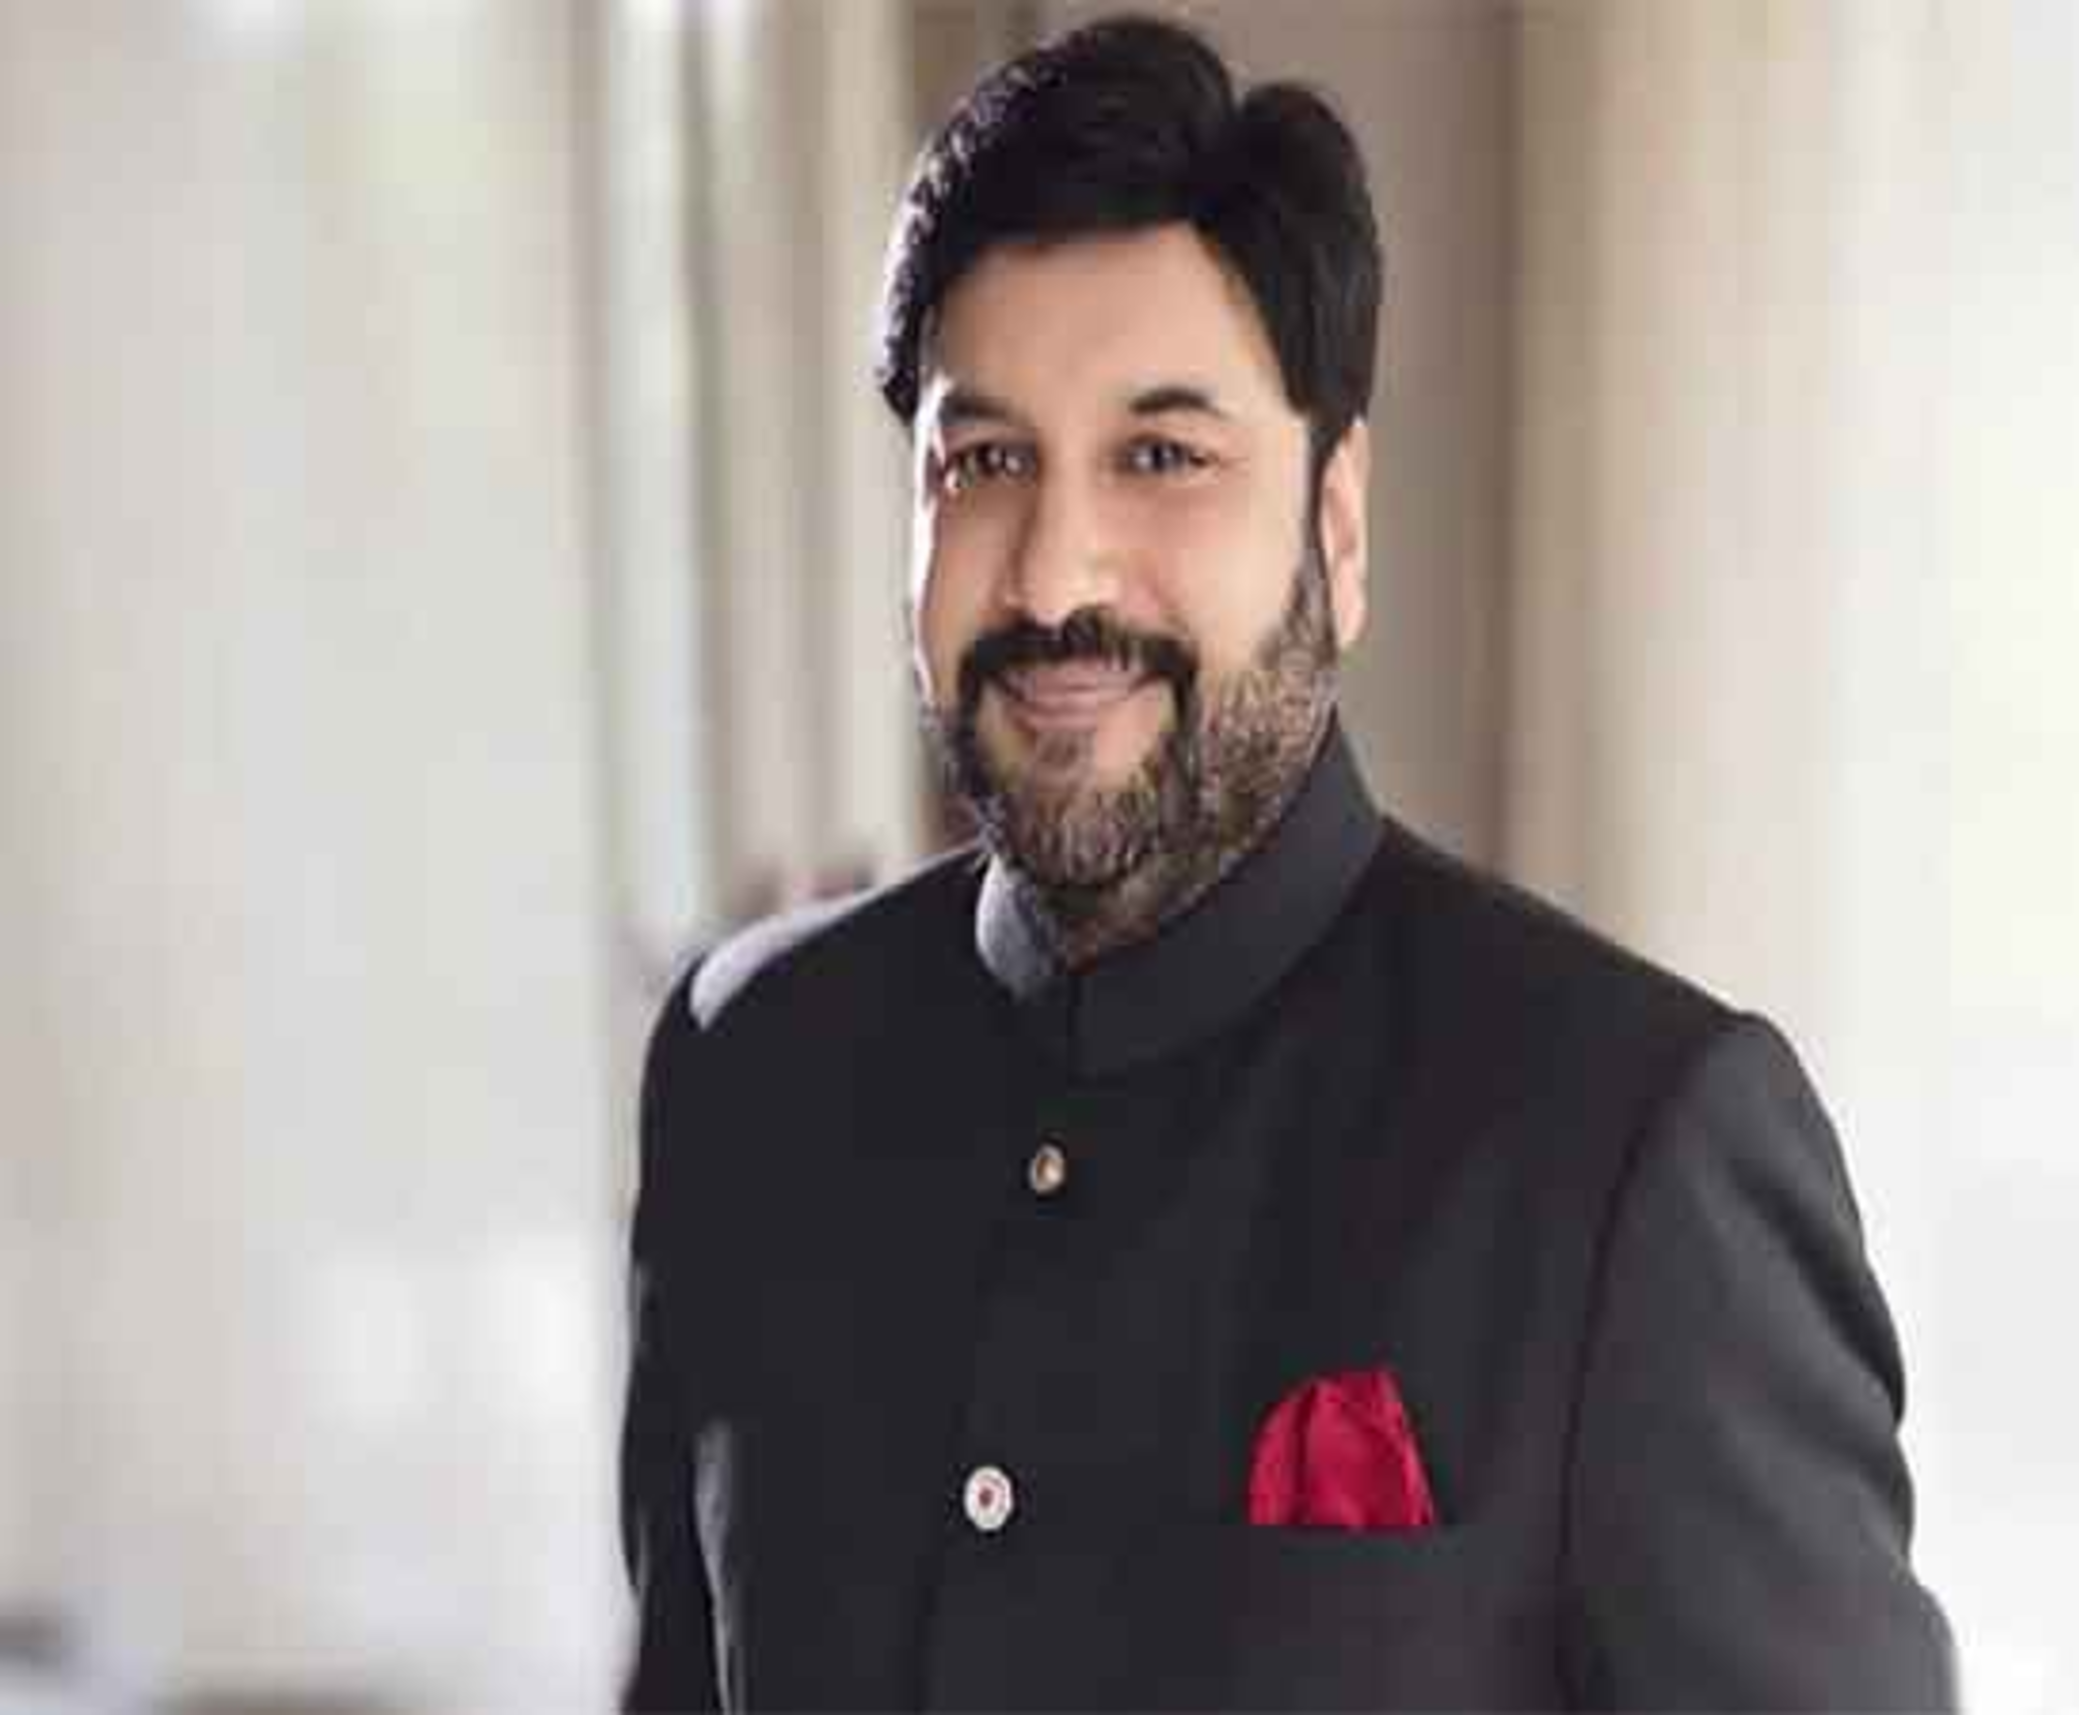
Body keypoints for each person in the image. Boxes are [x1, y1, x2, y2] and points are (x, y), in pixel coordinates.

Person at [617, 14, 1956, 1711]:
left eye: (1162, 457)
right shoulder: (749, 1073)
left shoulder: (1629, 1146)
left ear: (1335, 522)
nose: (1054, 575)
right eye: (984, 460)